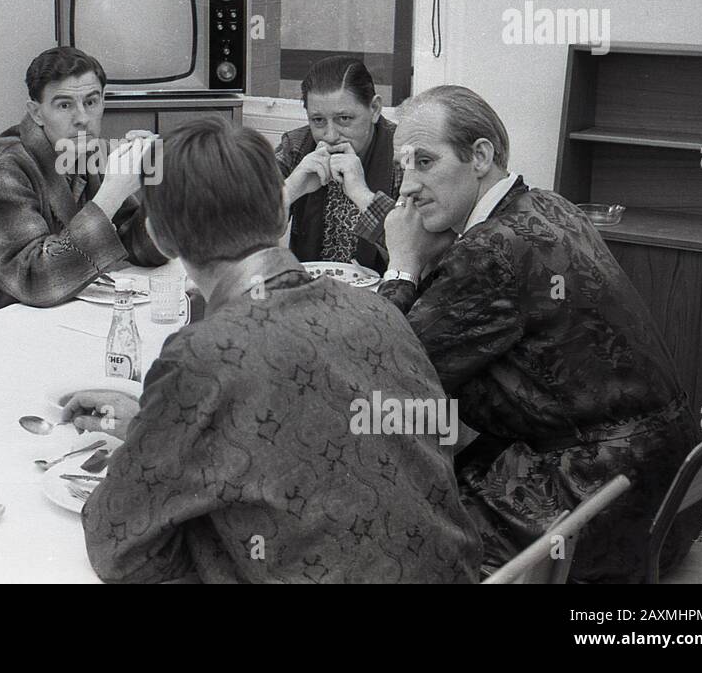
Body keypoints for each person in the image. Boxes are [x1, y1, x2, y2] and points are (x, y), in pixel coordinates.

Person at [67, 119, 482, 583]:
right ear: (281, 215)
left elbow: (117, 546)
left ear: (161, 239)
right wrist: (157, 428)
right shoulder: (378, 310)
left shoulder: (202, 355)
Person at [374, 85, 702, 582]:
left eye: (425, 162)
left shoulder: (489, 251)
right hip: (669, 494)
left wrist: (402, 265)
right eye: (404, 167)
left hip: (597, 512)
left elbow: (383, 368)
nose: (406, 187)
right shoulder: (547, 206)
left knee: (393, 525)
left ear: (480, 156)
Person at [0, 46, 165, 328]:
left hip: (48, 319)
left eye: (91, 102)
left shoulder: (84, 151)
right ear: (37, 113)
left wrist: (155, 185)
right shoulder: (4, 169)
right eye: (65, 105)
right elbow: (37, 280)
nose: (82, 118)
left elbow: (139, 248)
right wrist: (112, 194)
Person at [276, 57, 402, 273]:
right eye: (318, 120)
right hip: (311, 292)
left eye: (344, 118)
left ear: (374, 109)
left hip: (382, 297)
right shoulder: (295, 147)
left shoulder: (401, 152)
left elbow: (419, 250)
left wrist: (363, 195)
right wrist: (292, 189)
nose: (331, 135)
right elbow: (241, 235)